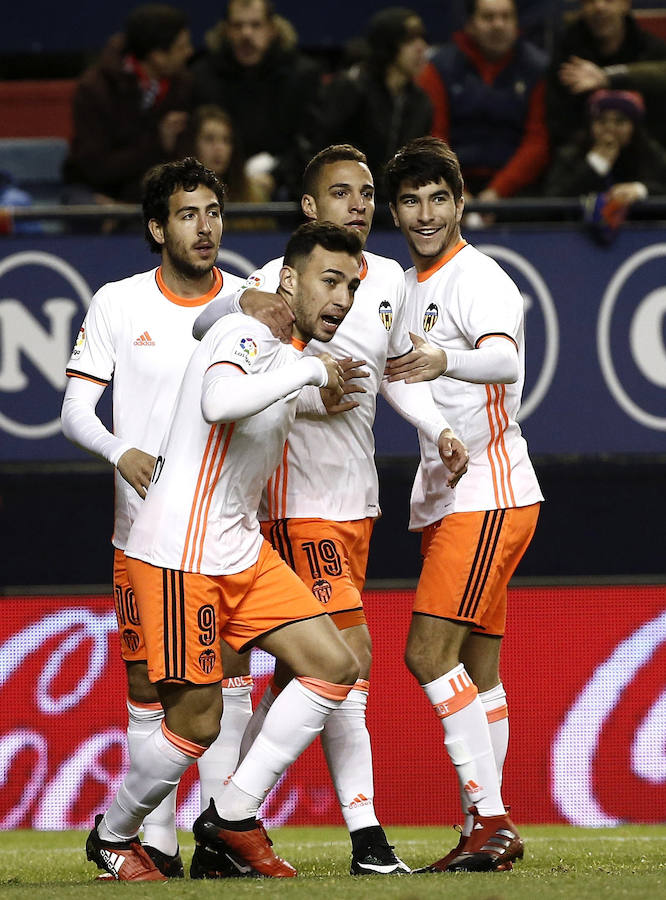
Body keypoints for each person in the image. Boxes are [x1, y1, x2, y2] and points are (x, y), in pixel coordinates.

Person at [193, 143, 469, 876]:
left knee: (296, 679)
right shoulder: (282, 278)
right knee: (347, 664)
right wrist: (246, 307)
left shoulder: (384, 282)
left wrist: (435, 428)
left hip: (356, 504)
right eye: (342, 192)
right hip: (297, 503)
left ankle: (223, 830)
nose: (360, 203)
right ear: (310, 207)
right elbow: (216, 323)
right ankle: (358, 838)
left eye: (368, 191)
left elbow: (390, 377)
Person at [84, 220, 367, 881]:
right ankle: (115, 833)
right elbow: (217, 399)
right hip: (181, 550)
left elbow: (206, 327)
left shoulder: (274, 334)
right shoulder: (255, 333)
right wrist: (301, 366)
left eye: (351, 285)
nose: (343, 298)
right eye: (329, 280)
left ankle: (233, 812)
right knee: (196, 723)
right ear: (289, 281)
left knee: (334, 665)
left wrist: (299, 364)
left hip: (238, 547)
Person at [61, 157, 253, 878]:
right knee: (153, 692)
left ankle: (222, 837)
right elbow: (75, 407)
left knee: (229, 680)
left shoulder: (248, 300)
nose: (204, 227)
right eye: (186, 214)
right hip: (144, 533)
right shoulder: (119, 302)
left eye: (212, 212)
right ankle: (159, 844)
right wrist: (122, 451)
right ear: (156, 227)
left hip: (229, 530)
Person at [384, 136, 543, 872]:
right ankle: (486, 827)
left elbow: (507, 359)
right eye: (411, 200)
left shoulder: (482, 277)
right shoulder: (405, 286)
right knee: (478, 674)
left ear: (459, 202)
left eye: (437, 198)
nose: (424, 213)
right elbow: (402, 380)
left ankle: (492, 820)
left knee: (426, 654)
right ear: (395, 209)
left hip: (489, 493)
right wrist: (437, 425)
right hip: (454, 494)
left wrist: (446, 357)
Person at [418, 0, 549, 210]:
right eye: (488, 17)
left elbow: (538, 140)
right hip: (449, 184)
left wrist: (498, 192)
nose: (498, 25)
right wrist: (458, 190)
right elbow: (434, 136)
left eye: (506, 17)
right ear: (470, 24)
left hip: (517, 189)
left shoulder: (538, 69)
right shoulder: (439, 68)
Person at [63, 4, 194, 203]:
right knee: (86, 209)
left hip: (153, 189)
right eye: (181, 47)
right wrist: (158, 143)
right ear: (157, 56)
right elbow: (95, 166)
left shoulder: (184, 85)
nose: (189, 52)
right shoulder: (94, 89)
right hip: (94, 189)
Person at [191, 0, 321, 199]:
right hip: (217, 186)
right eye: (238, 26)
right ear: (226, 30)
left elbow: (310, 141)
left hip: (285, 187)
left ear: (272, 29)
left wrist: (276, 176)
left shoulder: (302, 76)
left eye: (255, 25)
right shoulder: (202, 76)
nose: (246, 34)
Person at [314, 8, 431, 200]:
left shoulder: (420, 102)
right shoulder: (351, 87)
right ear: (387, 46)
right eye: (409, 40)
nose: (421, 48)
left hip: (391, 205)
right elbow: (319, 151)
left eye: (422, 38)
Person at [546, 0, 666, 148]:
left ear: (626, 3)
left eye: (609, 0)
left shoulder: (654, 54)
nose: (599, 6)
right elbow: (560, 128)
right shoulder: (566, 59)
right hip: (586, 161)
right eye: (590, 1)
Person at [543, 88, 666, 200]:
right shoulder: (571, 154)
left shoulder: (650, 153)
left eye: (620, 121)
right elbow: (554, 199)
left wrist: (641, 189)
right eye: (601, 121)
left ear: (634, 127)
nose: (610, 128)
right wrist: (594, 165)